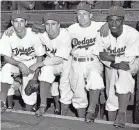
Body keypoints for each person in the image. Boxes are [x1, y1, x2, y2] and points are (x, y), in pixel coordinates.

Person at [93, 5, 139, 128]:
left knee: (124, 73)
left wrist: (111, 58)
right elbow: (100, 55)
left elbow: (129, 60)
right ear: (107, 21)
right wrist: (112, 62)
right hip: (111, 66)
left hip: (131, 65)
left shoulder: (133, 34)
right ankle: (113, 121)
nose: (114, 23)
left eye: (117, 20)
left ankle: (122, 112)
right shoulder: (102, 33)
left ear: (123, 21)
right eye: (110, 20)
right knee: (111, 93)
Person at [67, 3, 108, 122]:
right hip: (76, 62)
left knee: (95, 78)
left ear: (91, 15)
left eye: (85, 14)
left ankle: (91, 110)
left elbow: (118, 22)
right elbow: (54, 33)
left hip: (93, 61)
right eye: (79, 14)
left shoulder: (98, 26)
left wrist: (107, 24)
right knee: (78, 93)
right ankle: (81, 120)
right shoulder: (72, 29)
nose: (81, 17)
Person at [0, 10, 45, 112]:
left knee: (29, 93)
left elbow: (40, 56)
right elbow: (6, 57)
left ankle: (29, 109)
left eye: (21, 21)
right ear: (12, 23)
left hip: (32, 62)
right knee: (5, 69)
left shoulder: (34, 34)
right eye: (16, 21)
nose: (19, 24)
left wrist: (35, 77)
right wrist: (19, 64)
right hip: (15, 62)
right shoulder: (7, 35)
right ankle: (2, 102)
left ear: (26, 22)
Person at [29, 13, 73, 116]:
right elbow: (24, 31)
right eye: (47, 24)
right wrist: (11, 29)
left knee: (64, 85)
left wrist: (38, 64)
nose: (50, 27)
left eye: (53, 24)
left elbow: (59, 59)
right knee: (45, 73)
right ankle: (43, 106)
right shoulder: (42, 35)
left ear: (59, 25)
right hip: (50, 60)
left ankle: (64, 114)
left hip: (65, 61)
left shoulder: (65, 35)